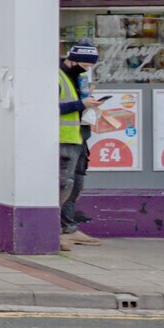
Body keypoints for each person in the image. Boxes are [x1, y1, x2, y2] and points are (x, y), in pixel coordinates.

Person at [59, 42, 101, 247]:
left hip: (79, 137)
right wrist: (81, 104)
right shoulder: (56, 76)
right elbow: (47, 107)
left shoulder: (79, 78)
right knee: (62, 185)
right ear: (73, 59)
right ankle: (54, 230)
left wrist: (91, 107)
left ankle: (69, 228)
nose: (86, 70)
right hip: (63, 138)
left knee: (76, 184)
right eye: (84, 65)